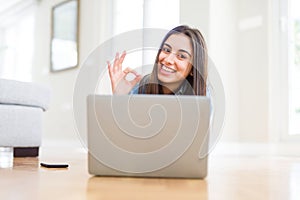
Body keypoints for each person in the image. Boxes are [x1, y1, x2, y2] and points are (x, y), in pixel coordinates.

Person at [107, 25, 208, 96]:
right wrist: (121, 97)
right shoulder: (142, 88)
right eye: (166, 50)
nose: (168, 59)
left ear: (193, 70)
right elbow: (124, 125)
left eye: (181, 56)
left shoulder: (201, 94)